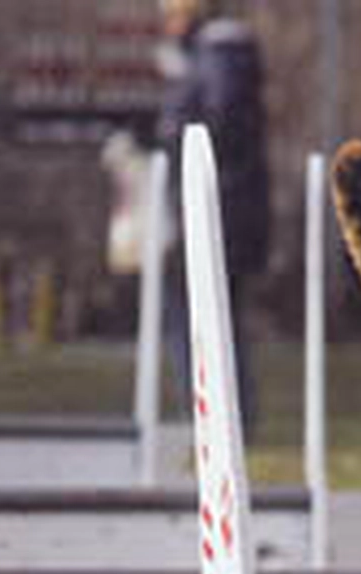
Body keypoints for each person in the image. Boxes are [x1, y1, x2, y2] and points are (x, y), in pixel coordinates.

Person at [155, 0, 269, 434]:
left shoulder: (218, 57)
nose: (166, 25)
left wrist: (172, 139)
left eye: (171, 14)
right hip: (225, 204)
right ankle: (224, 413)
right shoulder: (215, 56)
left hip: (219, 206)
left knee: (196, 308)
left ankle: (213, 414)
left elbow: (219, 126)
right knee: (216, 311)